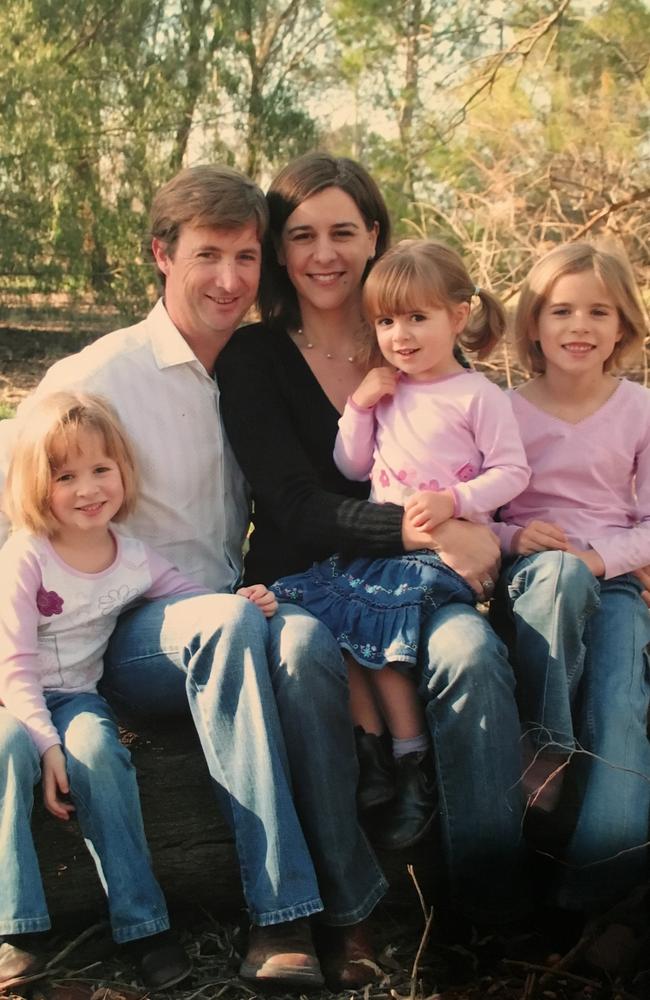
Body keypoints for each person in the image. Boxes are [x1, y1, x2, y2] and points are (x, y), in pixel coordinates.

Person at [0, 165, 387, 991]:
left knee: (306, 646)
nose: (229, 279)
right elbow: (15, 506)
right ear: (161, 256)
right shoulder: (96, 378)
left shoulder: (254, 366)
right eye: (207, 255)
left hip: (226, 609)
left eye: (247, 257)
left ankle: (351, 914)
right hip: (126, 632)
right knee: (228, 625)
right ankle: (278, 913)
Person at [217, 152, 532, 931]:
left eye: (344, 233)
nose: (323, 255)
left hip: (425, 579)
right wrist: (429, 527)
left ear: (376, 237)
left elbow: (489, 456)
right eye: (301, 235)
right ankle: (348, 914)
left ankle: (484, 909)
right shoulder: (254, 358)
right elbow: (292, 503)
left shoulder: (420, 339)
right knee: (303, 657)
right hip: (309, 577)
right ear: (280, 251)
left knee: (471, 657)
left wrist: (494, 527)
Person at [270, 239, 530, 852]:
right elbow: (351, 463)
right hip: (381, 553)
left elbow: (512, 473)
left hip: (436, 558)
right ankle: (373, 754)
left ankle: (413, 764)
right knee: (338, 628)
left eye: (418, 318)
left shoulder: (478, 396)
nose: (401, 336)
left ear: (459, 316)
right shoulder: (388, 392)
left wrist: (457, 501)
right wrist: (359, 407)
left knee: (380, 642)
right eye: (386, 322)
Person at [0, 391, 235, 989]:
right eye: (65, 475)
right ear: (36, 484)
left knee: (100, 754)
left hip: (78, 696)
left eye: (101, 469)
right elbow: (15, 664)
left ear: (123, 474)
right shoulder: (26, 556)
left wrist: (239, 603)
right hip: (12, 697)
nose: (87, 489)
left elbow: (187, 596)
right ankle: (16, 927)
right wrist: (45, 746)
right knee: (9, 750)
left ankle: (143, 924)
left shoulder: (131, 557)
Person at [490, 241, 650, 914]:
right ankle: (545, 745)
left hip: (610, 584)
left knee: (619, 706)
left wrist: (597, 560)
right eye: (560, 311)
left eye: (598, 311)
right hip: (532, 588)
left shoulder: (640, 409)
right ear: (532, 323)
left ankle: (598, 893)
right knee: (555, 578)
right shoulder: (502, 408)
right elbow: (477, 511)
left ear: (624, 326)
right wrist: (513, 535)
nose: (578, 327)